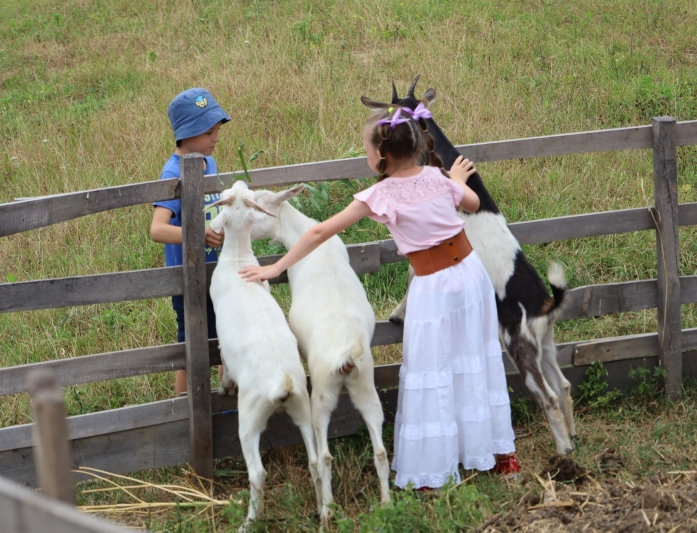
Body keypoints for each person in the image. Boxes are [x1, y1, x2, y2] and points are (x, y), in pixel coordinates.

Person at [239, 104, 519, 489]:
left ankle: (430, 472)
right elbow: (470, 204)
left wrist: (274, 268)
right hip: (470, 277)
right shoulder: (438, 178)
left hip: (434, 287)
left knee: (432, 366)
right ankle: (500, 454)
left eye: (366, 150)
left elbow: (319, 233)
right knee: (474, 355)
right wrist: (454, 180)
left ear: (380, 157)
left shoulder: (379, 195)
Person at [151, 88, 228, 397]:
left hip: (217, 274)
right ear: (188, 133)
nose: (216, 138)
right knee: (191, 348)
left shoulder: (210, 164)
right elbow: (157, 229)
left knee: (225, 340)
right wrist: (196, 235)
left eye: (217, 131)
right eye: (209, 132)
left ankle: (228, 404)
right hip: (188, 279)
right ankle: (184, 410)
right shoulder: (172, 171)